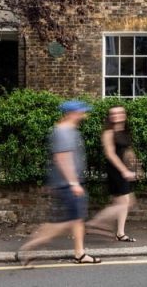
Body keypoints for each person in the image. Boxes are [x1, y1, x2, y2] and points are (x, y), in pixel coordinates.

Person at [18, 99, 102, 266]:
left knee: (77, 219)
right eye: (81, 111)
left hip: (68, 183)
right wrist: (73, 183)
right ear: (72, 113)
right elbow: (62, 158)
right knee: (63, 222)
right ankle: (29, 248)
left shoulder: (70, 130)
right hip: (67, 184)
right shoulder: (63, 131)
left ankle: (80, 253)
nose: (84, 114)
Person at [86, 105, 137, 242]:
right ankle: (95, 223)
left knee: (121, 202)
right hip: (115, 170)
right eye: (113, 114)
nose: (117, 115)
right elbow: (110, 154)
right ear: (110, 117)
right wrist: (124, 171)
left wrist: (134, 165)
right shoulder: (108, 132)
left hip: (124, 170)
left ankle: (120, 233)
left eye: (119, 113)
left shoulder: (124, 131)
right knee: (125, 202)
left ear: (124, 115)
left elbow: (126, 151)